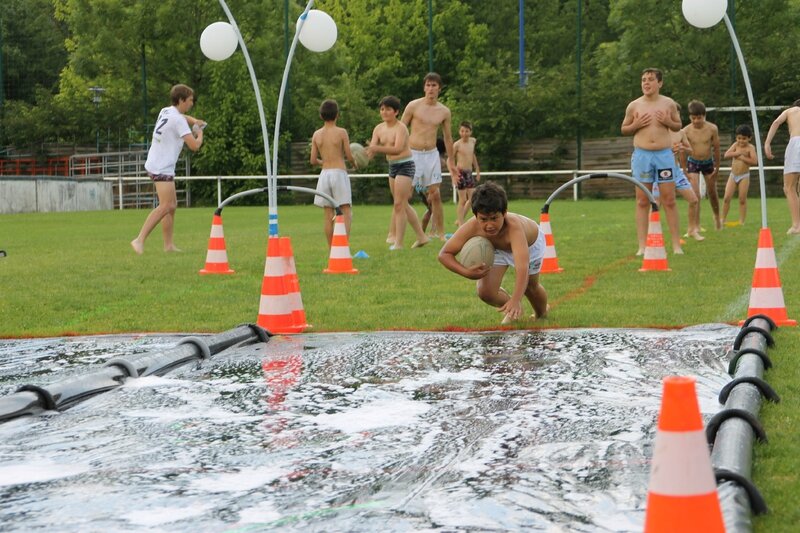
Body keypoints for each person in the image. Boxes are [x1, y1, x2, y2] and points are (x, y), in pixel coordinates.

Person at [438, 181, 548, 324]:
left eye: (494, 218)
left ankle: (542, 313)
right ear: (475, 215)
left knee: (530, 287)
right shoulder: (472, 226)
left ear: (504, 213)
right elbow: (444, 254)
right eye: (483, 219)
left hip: (530, 246)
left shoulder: (514, 228)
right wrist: (466, 272)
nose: (489, 225)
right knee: (486, 292)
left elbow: (522, 267)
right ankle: (514, 310)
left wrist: (516, 298)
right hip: (495, 247)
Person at [131, 84, 204, 254]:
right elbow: (194, 146)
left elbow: (183, 118)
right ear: (181, 100)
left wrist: (194, 121)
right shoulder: (178, 120)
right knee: (166, 205)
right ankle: (139, 239)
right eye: (190, 100)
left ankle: (168, 246)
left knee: (172, 206)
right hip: (162, 167)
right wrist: (200, 132)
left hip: (156, 163)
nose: (192, 103)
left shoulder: (166, 110)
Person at [621, 68, 683, 255]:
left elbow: (678, 125)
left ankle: (676, 244)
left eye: (650, 79)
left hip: (664, 155)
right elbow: (624, 128)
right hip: (642, 156)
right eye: (643, 80)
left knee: (669, 199)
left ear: (660, 83)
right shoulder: (634, 106)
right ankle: (642, 245)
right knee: (642, 200)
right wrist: (636, 125)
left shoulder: (668, 104)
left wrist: (668, 121)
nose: (646, 83)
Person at [367, 96, 429, 250]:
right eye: (382, 109)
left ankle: (398, 243)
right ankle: (421, 237)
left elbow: (398, 149)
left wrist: (376, 149)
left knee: (399, 204)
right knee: (402, 204)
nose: (384, 112)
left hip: (405, 165)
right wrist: (361, 156)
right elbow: (372, 149)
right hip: (392, 166)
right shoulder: (378, 128)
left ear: (396, 112)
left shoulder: (401, 128)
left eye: (388, 109)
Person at [402, 72, 458, 241]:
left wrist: (452, 162)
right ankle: (399, 236)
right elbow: (400, 128)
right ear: (424, 87)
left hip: (432, 155)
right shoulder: (413, 106)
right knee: (405, 195)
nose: (431, 88)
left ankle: (441, 235)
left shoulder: (444, 111)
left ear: (439, 88)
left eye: (434, 85)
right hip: (413, 154)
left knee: (436, 195)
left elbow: (448, 138)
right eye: (428, 85)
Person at [310, 99, 356, 246]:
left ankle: (332, 251)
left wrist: (323, 162)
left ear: (321, 116)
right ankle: (342, 248)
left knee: (328, 214)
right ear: (337, 115)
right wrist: (355, 163)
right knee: (346, 211)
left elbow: (312, 160)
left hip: (324, 175)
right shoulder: (342, 132)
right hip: (339, 173)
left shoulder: (317, 134)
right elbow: (349, 155)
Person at [683, 99, 721, 230]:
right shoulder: (686, 131)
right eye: (693, 118)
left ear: (704, 116)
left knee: (712, 192)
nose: (696, 121)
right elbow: (682, 151)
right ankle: (696, 225)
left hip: (708, 162)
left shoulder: (712, 129)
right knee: (695, 194)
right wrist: (683, 169)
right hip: (693, 162)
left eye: (699, 118)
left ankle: (717, 217)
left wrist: (717, 167)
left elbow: (716, 148)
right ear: (690, 117)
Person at [765, 99, 800, 234]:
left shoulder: (791, 110)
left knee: (789, 187)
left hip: (796, 143)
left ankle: (797, 225)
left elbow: (776, 122)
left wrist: (767, 143)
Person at [721, 125, 757, 227]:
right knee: (727, 197)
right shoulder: (735, 145)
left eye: (744, 139)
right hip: (733, 175)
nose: (741, 141)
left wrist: (742, 157)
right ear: (736, 138)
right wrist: (737, 153)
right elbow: (726, 155)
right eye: (739, 138)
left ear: (749, 138)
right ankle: (722, 219)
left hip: (744, 176)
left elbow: (754, 161)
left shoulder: (750, 148)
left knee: (742, 199)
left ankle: (741, 221)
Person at [453, 121, 481, 227]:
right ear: (459, 132)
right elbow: (450, 159)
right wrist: (454, 172)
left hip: (469, 172)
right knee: (463, 200)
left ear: (470, 132)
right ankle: (461, 224)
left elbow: (472, 155)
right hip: (460, 173)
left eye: (467, 131)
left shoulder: (473, 141)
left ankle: (460, 219)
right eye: (462, 131)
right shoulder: (457, 144)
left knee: (472, 198)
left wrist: (477, 169)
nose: (464, 133)